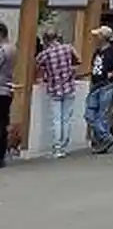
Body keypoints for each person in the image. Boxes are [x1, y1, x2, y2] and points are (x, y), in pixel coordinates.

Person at [35, 30, 80, 159]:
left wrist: (45, 75)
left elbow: (36, 65)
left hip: (54, 88)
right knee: (66, 119)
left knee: (56, 119)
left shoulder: (45, 54)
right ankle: (64, 146)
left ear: (45, 40)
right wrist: (70, 71)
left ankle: (57, 148)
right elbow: (78, 61)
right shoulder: (68, 48)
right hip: (69, 87)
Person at [85, 26, 113, 154]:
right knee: (90, 114)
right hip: (96, 84)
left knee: (102, 114)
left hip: (106, 85)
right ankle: (104, 136)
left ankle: (104, 138)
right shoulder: (97, 52)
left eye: (98, 36)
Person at [0, 22, 13, 169]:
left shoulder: (3, 50)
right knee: (3, 123)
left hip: (0, 89)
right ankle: (2, 155)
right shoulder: (12, 49)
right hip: (7, 89)